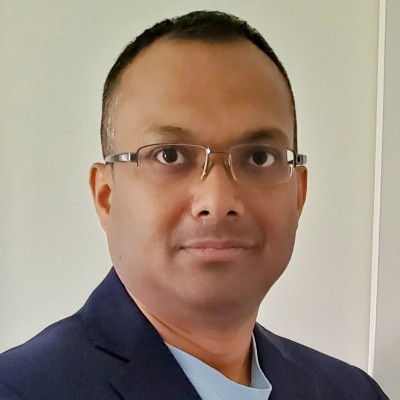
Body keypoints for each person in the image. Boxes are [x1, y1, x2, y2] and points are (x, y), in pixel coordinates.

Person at [0, 10, 389, 400]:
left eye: (259, 157)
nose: (217, 201)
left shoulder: (352, 392)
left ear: (298, 195)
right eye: (169, 155)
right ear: (106, 196)